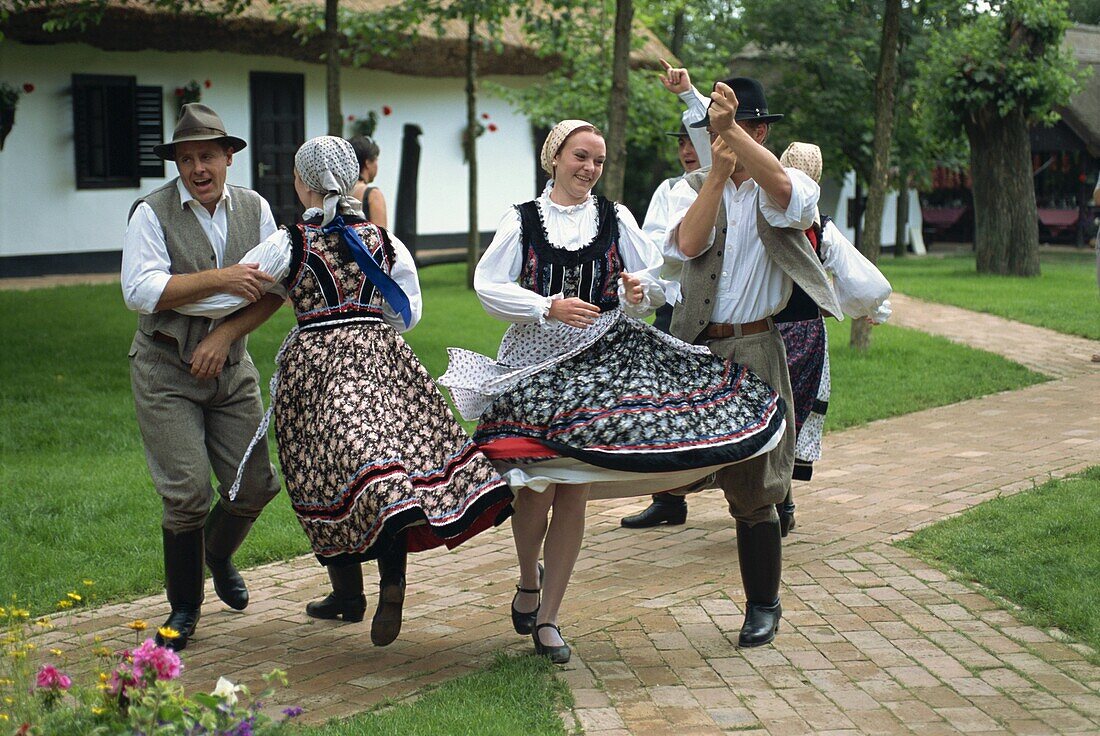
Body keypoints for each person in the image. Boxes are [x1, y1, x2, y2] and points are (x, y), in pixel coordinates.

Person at [440, 120, 789, 664]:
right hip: (536, 360)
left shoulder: (616, 217)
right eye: (580, 157)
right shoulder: (523, 219)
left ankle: (550, 616)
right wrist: (545, 306)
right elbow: (489, 283)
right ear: (554, 158)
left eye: (598, 161)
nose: (589, 169)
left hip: (602, 357)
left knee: (575, 482)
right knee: (533, 487)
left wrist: (637, 289)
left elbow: (663, 276)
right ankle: (527, 580)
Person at [220, 136, 514, 646]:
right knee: (388, 473)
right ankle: (384, 586)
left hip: (318, 371)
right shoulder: (384, 240)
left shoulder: (290, 243)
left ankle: (348, 590)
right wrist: (366, 316)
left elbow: (239, 286)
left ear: (302, 183)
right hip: (381, 360)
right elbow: (409, 313)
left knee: (325, 475)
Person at [623, 141, 893, 533]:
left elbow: (848, 268)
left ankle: (773, 502)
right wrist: (872, 306)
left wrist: (872, 305)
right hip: (764, 330)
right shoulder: (759, 207)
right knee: (749, 419)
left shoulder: (810, 220)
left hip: (790, 334)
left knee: (782, 421)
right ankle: (687, 494)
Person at [663, 78, 844, 648]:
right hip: (698, 347)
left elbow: (790, 189)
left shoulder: (782, 191)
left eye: (739, 127)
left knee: (755, 487)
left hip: (756, 347)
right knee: (672, 461)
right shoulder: (700, 185)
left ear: (758, 131)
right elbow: (687, 246)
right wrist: (716, 173)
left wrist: (729, 132)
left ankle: (763, 604)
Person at [121, 103, 284, 651]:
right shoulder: (151, 211)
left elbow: (277, 289)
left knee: (257, 484)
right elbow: (140, 291)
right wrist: (220, 278)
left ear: (229, 157)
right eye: (187, 158)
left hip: (231, 364)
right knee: (187, 491)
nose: (197, 168)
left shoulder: (256, 209)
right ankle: (185, 607)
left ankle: (217, 552)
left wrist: (223, 335)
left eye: (208, 155)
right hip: (166, 368)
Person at [349, 135, 388, 229]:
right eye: (376, 160)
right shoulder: (372, 194)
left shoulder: (340, 192)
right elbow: (382, 236)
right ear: (367, 163)